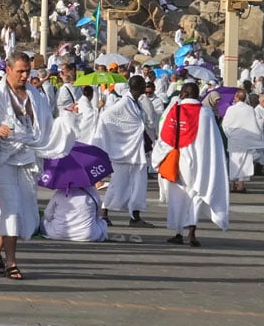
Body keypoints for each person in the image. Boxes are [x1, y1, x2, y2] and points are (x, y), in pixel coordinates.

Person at [0, 52, 73, 280]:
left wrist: (66, 120)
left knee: (26, 211)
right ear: (8, 69)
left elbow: (45, 124)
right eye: (20, 71)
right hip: (2, 157)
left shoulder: (34, 94)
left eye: (27, 71)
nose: (25, 76)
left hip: (27, 157)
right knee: (11, 208)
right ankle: (11, 262)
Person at [154, 82, 228, 246]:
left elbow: (165, 138)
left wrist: (157, 157)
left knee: (178, 197)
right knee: (195, 196)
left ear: (184, 94)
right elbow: (213, 142)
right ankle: (192, 233)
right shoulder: (206, 113)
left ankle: (178, 232)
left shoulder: (175, 110)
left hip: (178, 162)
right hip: (200, 163)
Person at [91, 75, 152, 225]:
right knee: (118, 183)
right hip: (124, 151)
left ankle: (135, 216)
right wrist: (120, 138)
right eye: (144, 85)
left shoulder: (136, 103)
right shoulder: (125, 102)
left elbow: (138, 123)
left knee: (138, 184)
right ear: (139, 87)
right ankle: (104, 212)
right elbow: (106, 117)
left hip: (136, 151)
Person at [221, 89, 263, 193]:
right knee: (245, 162)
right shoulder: (250, 109)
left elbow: (225, 125)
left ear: (236, 97)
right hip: (246, 139)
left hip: (234, 139)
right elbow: (254, 124)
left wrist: (229, 135)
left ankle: (233, 185)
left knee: (234, 161)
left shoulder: (231, 109)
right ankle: (241, 185)